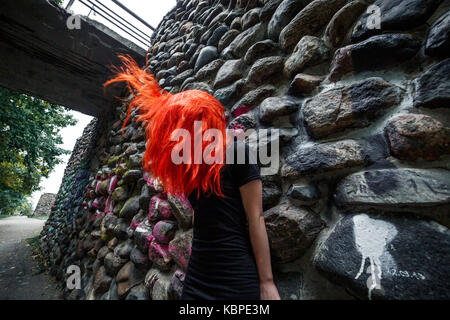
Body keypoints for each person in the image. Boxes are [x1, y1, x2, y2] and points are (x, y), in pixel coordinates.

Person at [105, 55, 280, 300]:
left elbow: (256, 218)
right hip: (197, 272)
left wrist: (267, 282)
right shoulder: (192, 167)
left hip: (235, 273)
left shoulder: (238, 151)